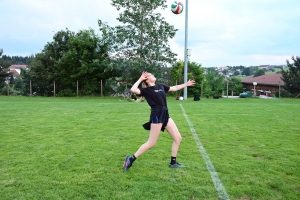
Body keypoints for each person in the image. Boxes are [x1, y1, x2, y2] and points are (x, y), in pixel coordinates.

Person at [123, 71, 196, 171]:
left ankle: (173, 163)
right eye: (150, 75)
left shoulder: (161, 86)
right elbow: (133, 89)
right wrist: (140, 79)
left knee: (178, 138)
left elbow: (174, 88)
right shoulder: (146, 90)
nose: (153, 75)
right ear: (147, 80)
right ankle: (130, 159)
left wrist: (186, 84)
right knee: (151, 143)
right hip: (157, 116)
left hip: (165, 114)